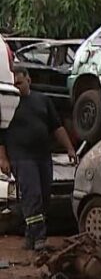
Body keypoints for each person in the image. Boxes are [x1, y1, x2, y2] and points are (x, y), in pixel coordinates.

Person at [0, 65, 76, 251]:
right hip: (21, 157)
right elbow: (0, 133)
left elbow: (56, 127)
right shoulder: (7, 103)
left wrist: (69, 148)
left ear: (28, 80)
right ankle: (40, 238)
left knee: (43, 196)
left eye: (19, 82)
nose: (16, 87)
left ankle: (30, 235)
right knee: (32, 195)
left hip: (42, 156)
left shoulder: (42, 100)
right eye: (13, 83)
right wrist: (3, 158)